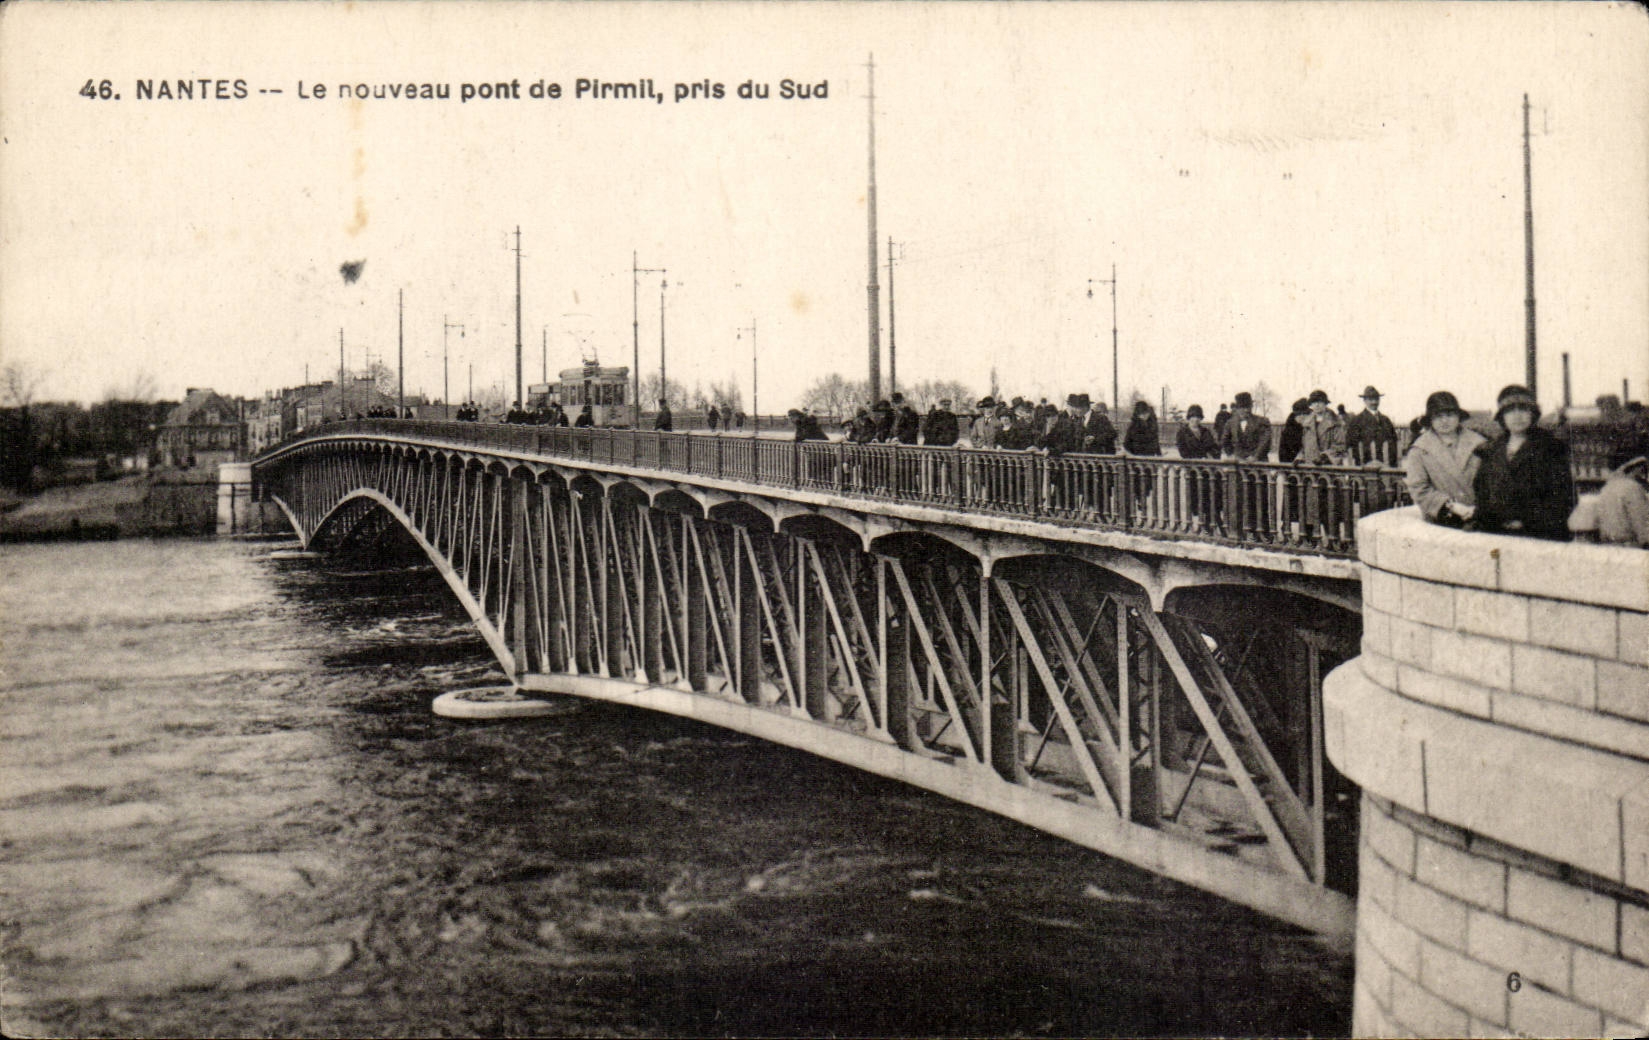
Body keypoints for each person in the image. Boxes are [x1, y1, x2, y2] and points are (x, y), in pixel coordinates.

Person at [1472, 384, 1574, 541]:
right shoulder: (1491, 450)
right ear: (1502, 418)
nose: (1517, 416)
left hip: (1540, 536)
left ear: (1533, 414)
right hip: (1497, 534)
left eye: (1523, 409)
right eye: (1510, 411)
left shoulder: (1551, 448)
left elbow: (1565, 498)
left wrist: (1526, 522)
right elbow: (1482, 493)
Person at [1405, 390, 1486, 527]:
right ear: (1430, 420)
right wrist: (1452, 507)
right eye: (1438, 416)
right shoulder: (1420, 450)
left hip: (1480, 518)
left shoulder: (1479, 443)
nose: (1444, 421)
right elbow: (1419, 489)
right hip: (1441, 521)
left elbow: (1492, 481)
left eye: (1449, 415)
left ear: (1458, 417)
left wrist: (1482, 508)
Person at [1583, 443, 1649, 546]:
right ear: (1633, 467)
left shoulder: (1608, 487)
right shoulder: (1633, 488)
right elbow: (1641, 524)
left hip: (1609, 546)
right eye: (1641, 467)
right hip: (1631, 548)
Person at [1346, 385, 1400, 468]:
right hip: (1366, 468)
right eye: (1370, 399)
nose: (1374, 402)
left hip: (1386, 467)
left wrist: (1393, 464)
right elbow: (1352, 445)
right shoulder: (1357, 421)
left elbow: (1394, 442)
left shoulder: (1386, 420)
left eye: (1376, 399)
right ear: (1364, 400)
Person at [1299, 389, 1347, 465]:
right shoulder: (1307, 424)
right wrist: (1300, 458)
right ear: (1311, 405)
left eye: (1320, 402)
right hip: (1310, 467)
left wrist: (1326, 456)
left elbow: (1340, 446)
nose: (1317, 405)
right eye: (1314, 402)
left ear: (1325, 403)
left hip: (1328, 467)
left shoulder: (1335, 423)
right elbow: (1304, 447)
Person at [1219, 391, 1271, 461]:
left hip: (1258, 464)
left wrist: (1255, 456)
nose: (1246, 410)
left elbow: (1265, 442)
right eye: (1243, 408)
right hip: (1238, 464)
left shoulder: (1262, 422)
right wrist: (1231, 455)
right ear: (1237, 409)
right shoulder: (1230, 423)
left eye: (1248, 407)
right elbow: (1225, 441)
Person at [1278, 398, 1310, 463]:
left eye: (1305, 414)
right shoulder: (1289, 431)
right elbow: (1283, 453)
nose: (1302, 417)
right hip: (1292, 463)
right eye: (1299, 414)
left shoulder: (1313, 428)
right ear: (1295, 416)